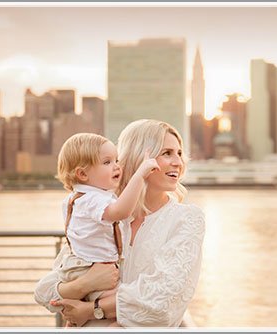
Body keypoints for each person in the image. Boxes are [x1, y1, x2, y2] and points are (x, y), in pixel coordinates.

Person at [34, 119, 205, 327]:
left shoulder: (187, 219)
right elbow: (45, 291)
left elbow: (158, 301)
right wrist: (88, 283)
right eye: (167, 153)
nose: (178, 162)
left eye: (179, 153)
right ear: (138, 157)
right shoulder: (102, 216)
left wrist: (90, 310)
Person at [45, 133, 159, 324]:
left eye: (117, 160)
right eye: (107, 162)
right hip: (91, 268)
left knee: (82, 315)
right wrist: (140, 174)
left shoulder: (78, 198)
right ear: (83, 174)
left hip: (78, 265)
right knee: (123, 310)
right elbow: (121, 211)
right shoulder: (93, 199)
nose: (117, 166)